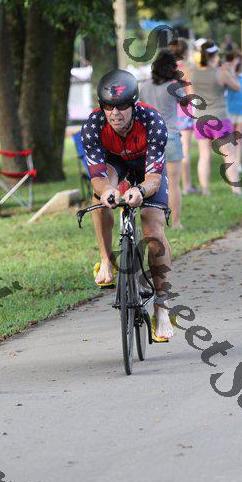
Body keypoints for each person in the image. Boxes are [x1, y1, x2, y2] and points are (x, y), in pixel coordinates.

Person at [81, 69, 173, 342]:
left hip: (146, 167)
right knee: (99, 199)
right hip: (115, 164)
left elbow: (154, 178)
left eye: (121, 106)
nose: (114, 112)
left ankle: (162, 306)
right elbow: (98, 177)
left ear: (134, 104)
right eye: (108, 106)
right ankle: (106, 259)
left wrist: (140, 190)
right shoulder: (93, 125)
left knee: (153, 228)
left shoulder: (153, 122)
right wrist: (108, 191)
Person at [140, 49, 185, 228]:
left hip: (150, 139)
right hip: (171, 136)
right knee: (173, 184)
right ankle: (176, 223)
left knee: (152, 182)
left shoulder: (144, 86)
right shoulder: (174, 86)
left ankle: (154, 223)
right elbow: (185, 102)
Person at [191, 40, 241, 196]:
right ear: (215, 55)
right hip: (219, 118)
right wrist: (229, 70)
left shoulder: (193, 73)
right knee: (229, 154)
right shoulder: (220, 73)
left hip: (200, 119)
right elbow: (237, 87)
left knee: (204, 155)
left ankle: (205, 190)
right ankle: (236, 190)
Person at [168, 37, 201, 195]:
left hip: (169, 111)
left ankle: (172, 185)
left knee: (170, 149)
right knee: (185, 149)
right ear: (185, 51)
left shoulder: (166, 69)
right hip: (184, 111)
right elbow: (191, 91)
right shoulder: (186, 68)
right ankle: (186, 185)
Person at [225, 50, 242, 174]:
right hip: (230, 110)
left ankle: (238, 164)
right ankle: (232, 162)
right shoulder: (229, 76)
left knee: (238, 139)